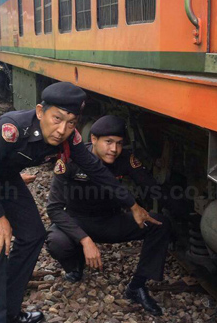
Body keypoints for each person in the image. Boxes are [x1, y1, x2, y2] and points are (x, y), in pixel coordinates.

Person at [0, 82, 159, 323]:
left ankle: (9, 311)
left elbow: (96, 170)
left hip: (4, 174)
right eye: (56, 119)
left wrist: (133, 205)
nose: (62, 129)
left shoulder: (70, 138)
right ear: (40, 112)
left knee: (33, 235)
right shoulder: (13, 128)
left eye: (71, 122)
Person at [46, 115, 171, 316]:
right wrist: (84, 240)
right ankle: (76, 265)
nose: (114, 149)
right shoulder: (70, 160)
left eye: (119, 143)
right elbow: (53, 209)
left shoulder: (124, 160)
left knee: (160, 223)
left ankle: (137, 286)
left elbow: (151, 186)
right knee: (56, 241)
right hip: (79, 222)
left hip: (111, 221)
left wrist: (182, 206)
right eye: (108, 142)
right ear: (93, 139)